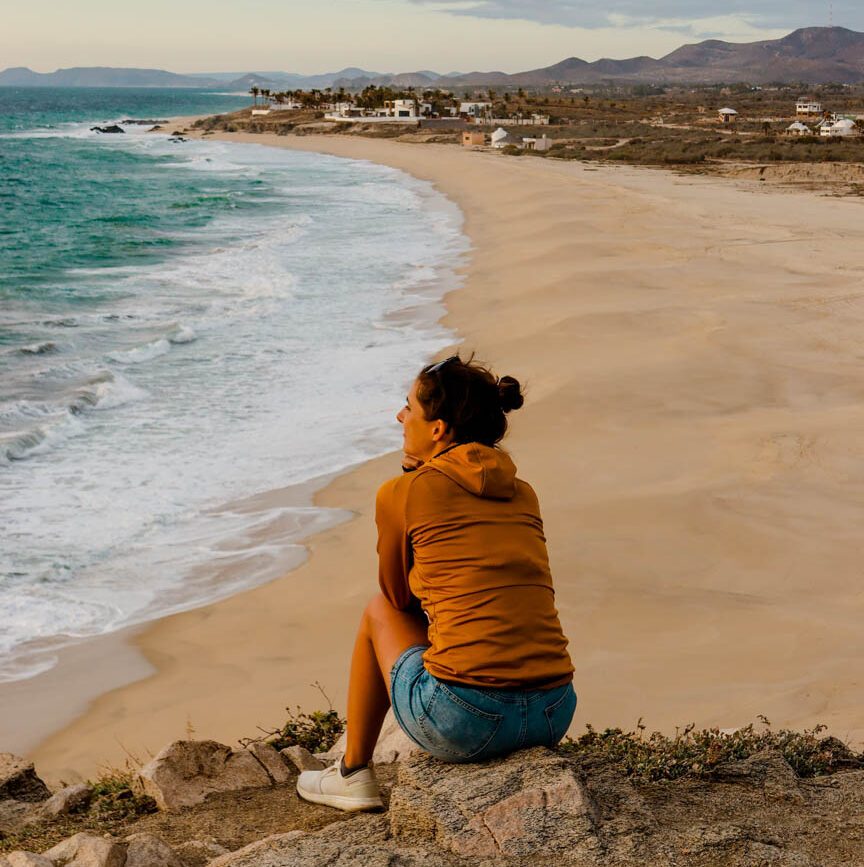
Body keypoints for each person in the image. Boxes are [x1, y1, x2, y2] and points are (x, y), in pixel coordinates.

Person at [296, 355, 575, 811]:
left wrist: (412, 483)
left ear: (438, 430)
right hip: (554, 710)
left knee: (377, 611)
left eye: (409, 408)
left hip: (467, 721)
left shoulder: (402, 492)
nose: (400, 417)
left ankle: (352, 773)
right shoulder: (522, 491)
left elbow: (397, 598)